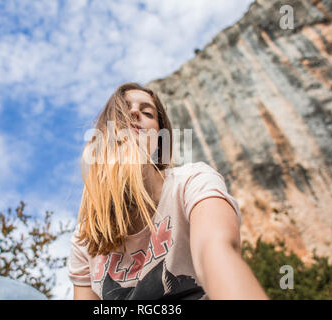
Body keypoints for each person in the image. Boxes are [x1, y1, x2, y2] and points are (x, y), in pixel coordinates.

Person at [68, 82, 269, 300]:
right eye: (123, 110)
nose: (135, 112)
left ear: (159, 141)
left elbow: (214, 250)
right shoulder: (84, 238)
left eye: (147, 112)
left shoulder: (192, 183)